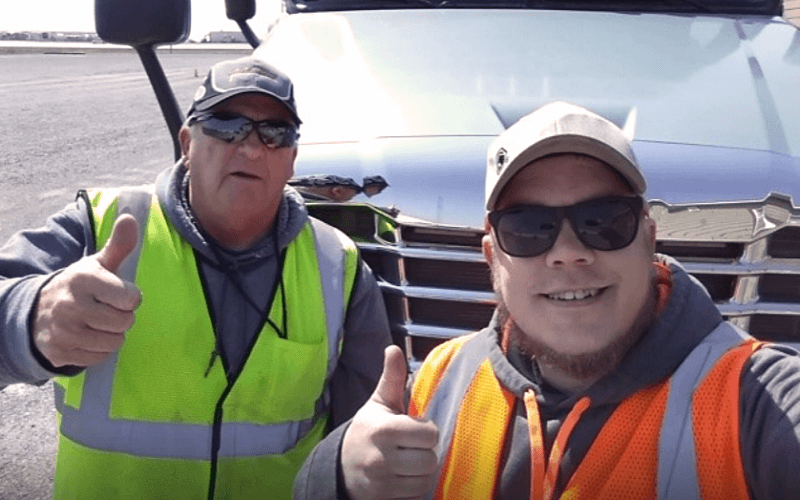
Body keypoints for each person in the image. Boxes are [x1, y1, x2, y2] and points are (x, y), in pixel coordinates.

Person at [293, 101, 800, 500]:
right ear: (492, 257)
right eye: (529, 228)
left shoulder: (756, 402)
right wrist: (339, 472)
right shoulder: (438, 383)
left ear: (648, 238)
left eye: (602, 220)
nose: (568, 253)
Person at [0, 55, 391, 499]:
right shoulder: (100, 227)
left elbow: (360, 433)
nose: (250, 147)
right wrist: (28, 317)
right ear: (187, 142)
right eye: (226, 124)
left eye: (275, 132)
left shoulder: (338, 267)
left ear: (293, 160)